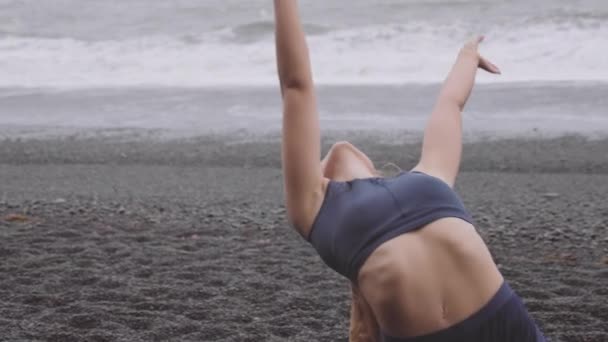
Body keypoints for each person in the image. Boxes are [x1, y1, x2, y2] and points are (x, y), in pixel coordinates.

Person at [273, 1, 546, 341]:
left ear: (376, 172)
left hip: (505, 324)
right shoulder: (312, 207)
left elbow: (450, 104)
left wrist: (467, 56)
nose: (337, 146)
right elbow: (296, 86)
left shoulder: (427, 177)